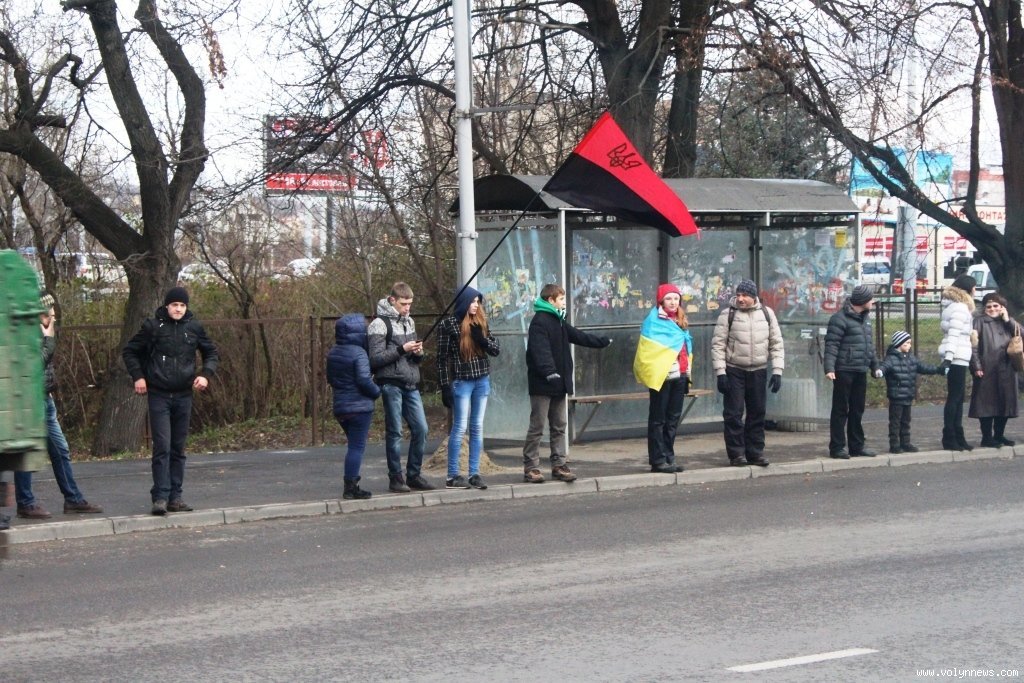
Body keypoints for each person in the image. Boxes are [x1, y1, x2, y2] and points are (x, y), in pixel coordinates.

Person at [122, 286, 218, 516]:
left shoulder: (193, 328)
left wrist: (205, 374)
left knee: (178, 447)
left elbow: (211, 353)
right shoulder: (153, 327)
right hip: (159, 394)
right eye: (175, 305)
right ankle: (160, 497)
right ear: (167, 306)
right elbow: (130, 351)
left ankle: (176, 497)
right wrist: (138, 377)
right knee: (162, 446)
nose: (178, 309)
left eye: (182, 305)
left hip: (184, 394)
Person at [15, 294, 104, 519]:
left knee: (60, 450)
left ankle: (72, 499)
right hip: (30, 401)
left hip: (45, 399)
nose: (53, 319)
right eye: (50, 315)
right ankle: (26, 502)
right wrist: (48, 341)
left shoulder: (42, 335)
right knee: (27, 452)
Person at [523, 283, 611, 483]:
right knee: (537, 426)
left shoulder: (559, 321)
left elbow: (578, 336)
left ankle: (559, 464)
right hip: (543, 384)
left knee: (559, 425)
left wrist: (600, 342)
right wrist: (549, 371)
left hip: (559, 383)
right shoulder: (539, 322)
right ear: (551, 300)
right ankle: (531, 467)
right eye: (561, 299)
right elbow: (540, 351)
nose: (564, 302)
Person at [368, 282, 434, 493]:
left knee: (421, 429)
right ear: (392, 300)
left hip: (410, 383)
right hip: (391, 384)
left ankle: (414, 475)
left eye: (410, 304)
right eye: (404, 304)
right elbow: (375, 359)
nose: (407, 308)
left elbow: (413, 359)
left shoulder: (409, 321)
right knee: (395, 431)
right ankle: (395, 478)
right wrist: (402, 349)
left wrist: (418, 353)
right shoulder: (378, 324)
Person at [710, 279, 784, 467]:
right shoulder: (728, 315)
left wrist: (777, 371)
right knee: (733, 414)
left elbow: (776, 343)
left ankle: (755, 453)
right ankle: (736, 454)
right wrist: (721, 373)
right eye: (738, 295)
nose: (740, 299)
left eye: (745, 295)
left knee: (757, 413)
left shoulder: (767, 314)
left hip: (758, 370)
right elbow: (718, 345)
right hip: (734, 370)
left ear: (754, 297)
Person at [437, 286, 500, 490]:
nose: (475, 305)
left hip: (482, 379)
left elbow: (496, 349)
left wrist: (482, 340)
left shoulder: (480, 321)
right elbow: (441, 359)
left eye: (477, 301)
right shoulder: (448, 325)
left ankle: (474, 473)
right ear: (463, 302)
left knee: (477, 427)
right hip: (462, 381)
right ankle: (452, 475)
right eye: (472, 301)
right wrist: (445, 385)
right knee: (460, 427)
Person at [634, 284, 692, 473]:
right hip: (662, 376)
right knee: (658, 419)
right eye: (669, 299)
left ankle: (669, 456)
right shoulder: (653, 321)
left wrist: (687, 372)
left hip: (680, 374)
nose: (673, 302)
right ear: (661, 301)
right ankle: (658, 460)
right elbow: (648, 351)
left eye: (676, 299)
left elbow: (685, 348)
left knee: (673, 419)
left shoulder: (680, 320)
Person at [823, 285, 882, 459]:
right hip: (844, 370)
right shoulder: (839, 319)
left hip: (860, 369)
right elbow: (832, 344)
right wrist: (830, 368)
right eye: (870, 299)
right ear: (862, 301)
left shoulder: (866, 319)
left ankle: (857, 446)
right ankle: (837, 447)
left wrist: (875, 366)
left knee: (857, 409)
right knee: (840, 410)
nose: (873, 302)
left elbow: (869, 346)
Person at [326, 314, 381, 499]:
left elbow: (331, 378)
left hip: (340, 406)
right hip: (359, 407)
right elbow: (364, 380)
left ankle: (351, 485)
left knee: (353, 445)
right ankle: (351, 487)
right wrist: (376, 391)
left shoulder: (333, 352)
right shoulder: (359, 353)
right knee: (356, 447)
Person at [969, 292, 1021, 447]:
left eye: (995, 306)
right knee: (986, 405)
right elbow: (973, 346)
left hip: (1007, 369)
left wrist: (1008, 320)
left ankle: (999, 435)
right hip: (987, 369)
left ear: (1002, 307)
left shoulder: (1008, 322)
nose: (992, 309)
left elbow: (1021, 335)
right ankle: (987, 437)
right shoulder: (979, 322)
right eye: (989, 306)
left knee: (1004, 403)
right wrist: (976, 366)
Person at [879, 330, 943, 453]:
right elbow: (884, 367)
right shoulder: (891, 358)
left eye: (910, 343)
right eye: (906, 343)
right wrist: (879, 372)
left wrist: (938, 370)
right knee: (895, 422)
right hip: (896, 396)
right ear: (899, 344)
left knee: (906, 421)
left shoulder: (911, 358)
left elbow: (923, 367)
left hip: (908, 395)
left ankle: (905, 443)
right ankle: (894, 444)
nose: (909, 345)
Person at [938, 274, 977, 450]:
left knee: (958, 398)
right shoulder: (961, 308)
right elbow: (954, 334)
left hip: (957, 355)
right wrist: (949, 357)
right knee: (955, 398)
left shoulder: (954, 306)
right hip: (956, 356)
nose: (975, 290)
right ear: (968, 289)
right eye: (974, 287)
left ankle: (957, 436)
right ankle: (950, 437)